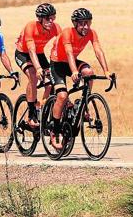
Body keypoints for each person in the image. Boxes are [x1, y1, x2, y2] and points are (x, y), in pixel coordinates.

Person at [48, 8, 112, 150]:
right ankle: (54, 129)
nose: (86, 27)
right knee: (62, 96)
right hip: (57, 64)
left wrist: (106, 71)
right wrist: (75, 71)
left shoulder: (91, 33)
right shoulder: (67, 33)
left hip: (72, 62)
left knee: (89, 72)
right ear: (75, 24)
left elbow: (98, 51)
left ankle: (84, 103)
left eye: (88, 23)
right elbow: (69, 53)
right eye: (82, 23)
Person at [14, 3, 61, 128]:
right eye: (47, 18)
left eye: (53, 18)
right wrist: (39, 68)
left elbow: (61, 45)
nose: (51, 21)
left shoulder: (55, 28)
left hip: (39, 54)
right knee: (33, 77)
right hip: (23, 53)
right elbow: (31, 50)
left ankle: (42, 108)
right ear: (40, 19)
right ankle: (31, 115)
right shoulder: (31, 26)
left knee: (50, 83)